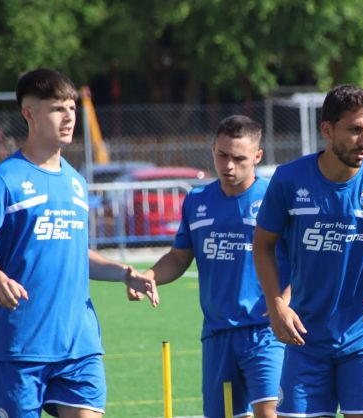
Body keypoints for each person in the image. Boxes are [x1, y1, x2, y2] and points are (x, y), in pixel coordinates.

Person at [0, 68, 159, 418]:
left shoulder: (77, 183)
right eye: (56, 108)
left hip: (80, 345)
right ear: (29, 113)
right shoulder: (3, 180)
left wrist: (126, 273)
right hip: (22, 347)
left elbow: (76, 254)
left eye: (71, 107)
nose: (68, 117)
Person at [253, 84, 363, 417]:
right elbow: (262, 245)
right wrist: (276, 305)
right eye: (355, 130)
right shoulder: (289, 179)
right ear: (327, 130)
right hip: (305, 339)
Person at [127, 115, 286, 418]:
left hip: (266, 331)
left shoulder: (274, 198)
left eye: (239, 158)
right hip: (217, 333)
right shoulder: (197, 201)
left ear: (257, 157)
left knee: (270, 413)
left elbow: (301, 262)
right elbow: (178, 257)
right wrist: (148, 276)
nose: (228, 165)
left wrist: (285, 302)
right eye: (222, 155)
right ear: (213, 148)